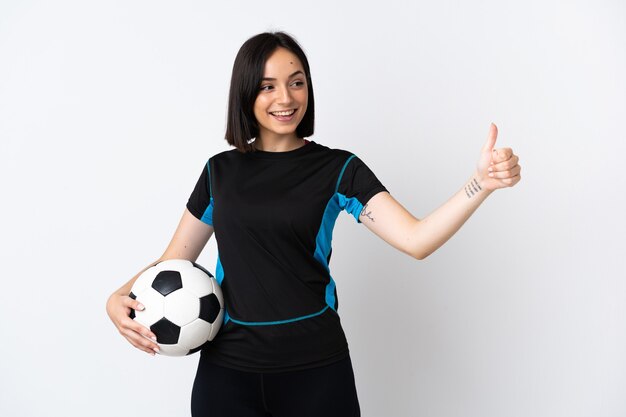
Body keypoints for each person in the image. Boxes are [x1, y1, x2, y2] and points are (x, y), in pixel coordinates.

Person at [106, 31, 521, 417]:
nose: (285, 97)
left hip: (315, 372)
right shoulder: (219, 172)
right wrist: (118, 298)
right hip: (228, 374)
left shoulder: (339, 170)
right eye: (268, 85)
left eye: (296, 82)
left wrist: (479, 185)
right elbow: (172, 263)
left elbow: (415, 239)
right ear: (246, 93)